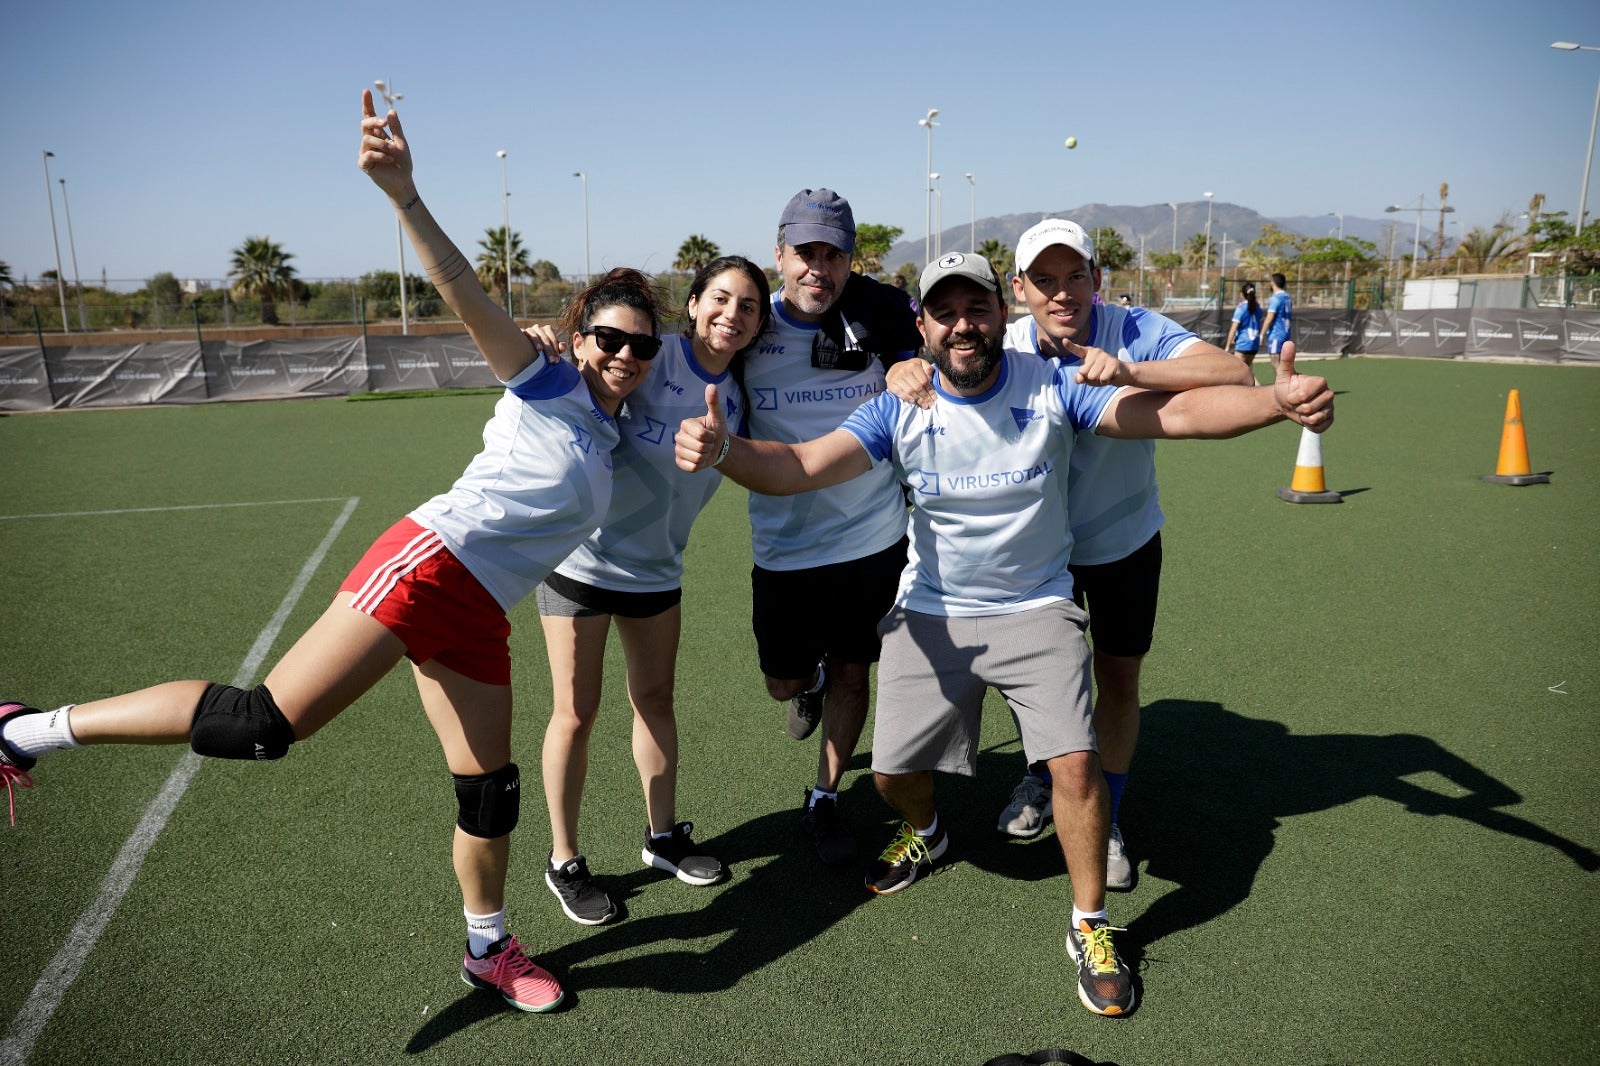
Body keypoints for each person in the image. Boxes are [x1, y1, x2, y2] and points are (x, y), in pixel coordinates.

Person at [0, 90, 669, 1015]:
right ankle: (25, 728)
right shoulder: (543, 376)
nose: (624, 353)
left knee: (490, 793)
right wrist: (404, 194)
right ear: (580, 329)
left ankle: (488, 949)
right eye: (608, 334)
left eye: (641, 343)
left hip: (480, 609)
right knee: (263, 724)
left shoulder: (619, 428)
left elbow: (722, 372)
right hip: (429, 563)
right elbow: (461, 290)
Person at [674, 251, 1332, 1017]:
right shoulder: (898, 407)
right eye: (944, 313)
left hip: (1037, 607)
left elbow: (1177, 414)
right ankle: (929, 830)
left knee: (1076, 770)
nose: (962, 325)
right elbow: (802, 463)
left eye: (976, 309)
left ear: (999, 316)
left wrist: (1273, 406)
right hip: (934, 608)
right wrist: (724, 450)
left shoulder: (1049, 386)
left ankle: (1090, 923)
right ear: (920, 327)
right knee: (887, 775)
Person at [887, 220, 1256, 893]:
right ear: (1019, 291)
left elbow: (1230, 371)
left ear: (1096, 278)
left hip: (1120, 542)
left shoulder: (1131, 327)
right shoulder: (1003, 340)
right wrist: (901, 366)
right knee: (1039, 678)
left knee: (1116, 680)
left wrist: (1130, 370)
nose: (1062, 294)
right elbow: (931, 362)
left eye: (1075, 276)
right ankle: (1040, 777)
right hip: (1037, 556)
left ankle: (1106, 811)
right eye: (1044, 281)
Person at [536, 257, 770, 925]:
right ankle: (564, 860)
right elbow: (578, 362)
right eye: (720, 298)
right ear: (693, 305)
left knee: (656, 700)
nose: (732, 314)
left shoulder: (743, 394)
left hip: (658, 571)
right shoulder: (645, 352)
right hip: (580, 563)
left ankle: (662, 838)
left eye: (749, 306)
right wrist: (547, 339)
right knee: (575, 714)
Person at [739, 188, 920, 866]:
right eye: (805, 253)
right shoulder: (749, 329)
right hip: (784, 551)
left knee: (853, 672)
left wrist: (906, 359)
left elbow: (917, 335)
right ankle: (803, 685)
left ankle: (824, 795)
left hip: (873, 541)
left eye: (833, 255)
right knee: (784, 682)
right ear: (779, 255)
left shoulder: (878, 315)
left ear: (851, 262)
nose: (819, 268)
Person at [1224, 281, 1264, 366]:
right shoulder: (1259, 309)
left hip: (1243, 344)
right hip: (1254, 344)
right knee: (1248, 372)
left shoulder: (1241, 309)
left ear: (1242, 294)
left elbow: (1233, 329)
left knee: (1238, 372)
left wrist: (1227, 347)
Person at [1261, 272, 1293, 369]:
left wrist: (1261, 334)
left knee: (1275, 361)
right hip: (1286, 332)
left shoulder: (1275, 298)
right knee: (1283, 363)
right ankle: (1286, 382)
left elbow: (1269, 318)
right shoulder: (1288, 297)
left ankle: (1283, 383)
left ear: (1273, 283)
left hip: (1276, 334)